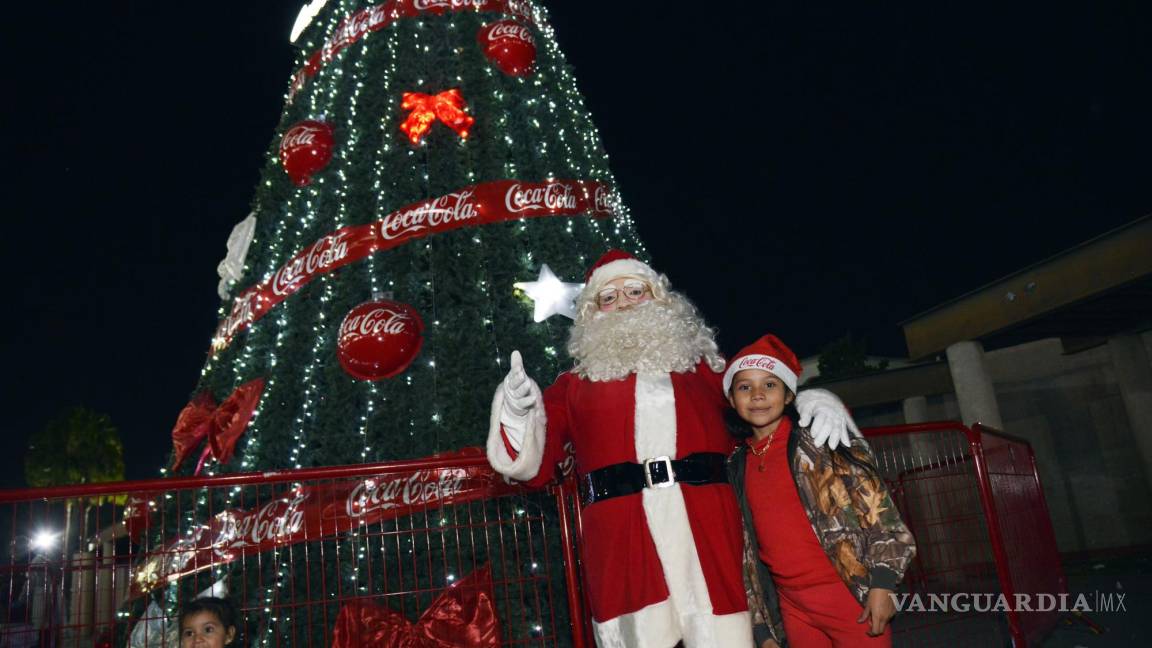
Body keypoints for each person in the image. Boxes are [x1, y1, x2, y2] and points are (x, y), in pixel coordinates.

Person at [486, 250, 859, 648]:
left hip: (708, 526)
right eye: (608, 298)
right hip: (623, 536)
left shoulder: (705, 370)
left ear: (661, 299)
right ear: (592, 314)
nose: (623, 303)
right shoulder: (572, 386)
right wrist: (517, 409)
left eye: (634, 290)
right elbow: (535, 465)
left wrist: (811, 399)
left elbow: (762, 389)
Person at [723, 334, 917, 648]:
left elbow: (878, 510)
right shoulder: (735, 466)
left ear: (789, 396)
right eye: (745, 387)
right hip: (793, 609)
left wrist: (884, 583)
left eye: (770, 385)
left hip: (849, 597)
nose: (757, 395)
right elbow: (744, 552)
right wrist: (762, 629)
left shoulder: (822, 438)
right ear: (732, 399)